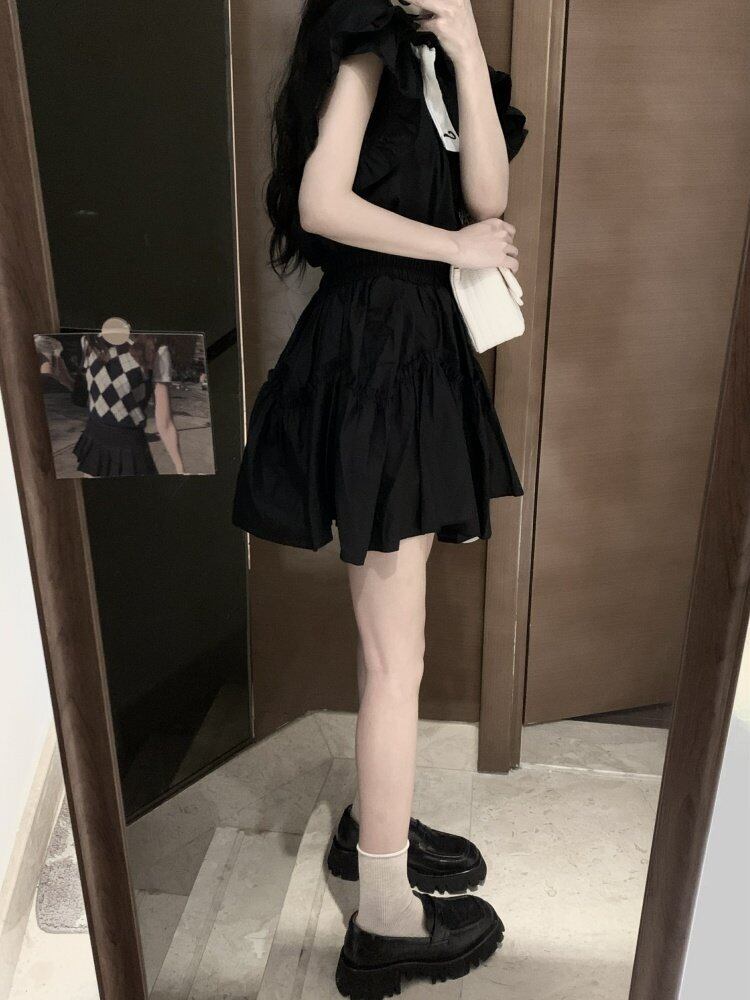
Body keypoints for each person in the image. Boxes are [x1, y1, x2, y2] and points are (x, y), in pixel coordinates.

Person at [232, 1, 527, 995]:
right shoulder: (365, 52)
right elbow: (322, 204)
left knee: (396, 647)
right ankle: (386, 919)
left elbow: (488, 196)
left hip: (413, 356)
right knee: (397, 657)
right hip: (378, 364)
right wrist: (457, 250)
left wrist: (469, 45)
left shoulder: (432, 60)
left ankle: (372, 824)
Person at [74, 334, 185, 476]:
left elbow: (166, 423)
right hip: (94, 440)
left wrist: (180, 469)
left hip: (129, 448)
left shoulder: (156, 349)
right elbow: (95, 392)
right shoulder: (90, 340)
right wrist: (62, 377)